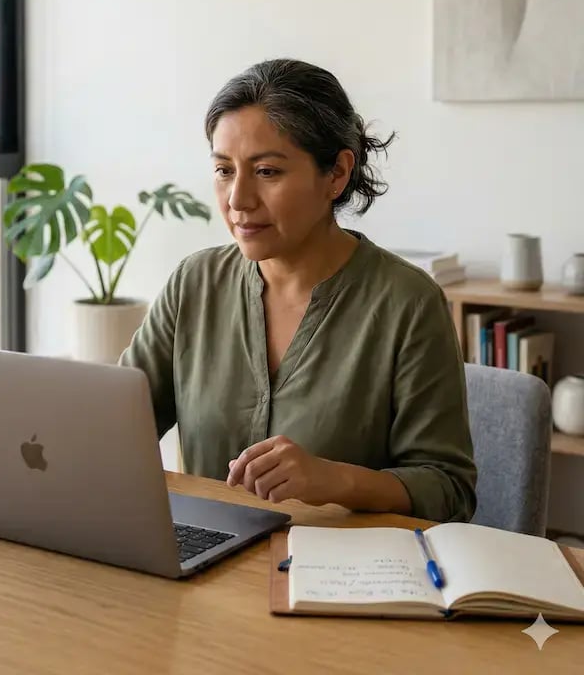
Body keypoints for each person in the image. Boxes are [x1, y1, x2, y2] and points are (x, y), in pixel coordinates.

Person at [119, 58, 476, 522]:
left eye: (266, 171)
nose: (238, 200)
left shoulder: (408, 303)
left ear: (336, 175)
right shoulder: (194, 283)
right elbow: (116, 429)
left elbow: (450, 491)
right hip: (203, 564)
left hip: (340, 577)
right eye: (224, 170)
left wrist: (335, 480)